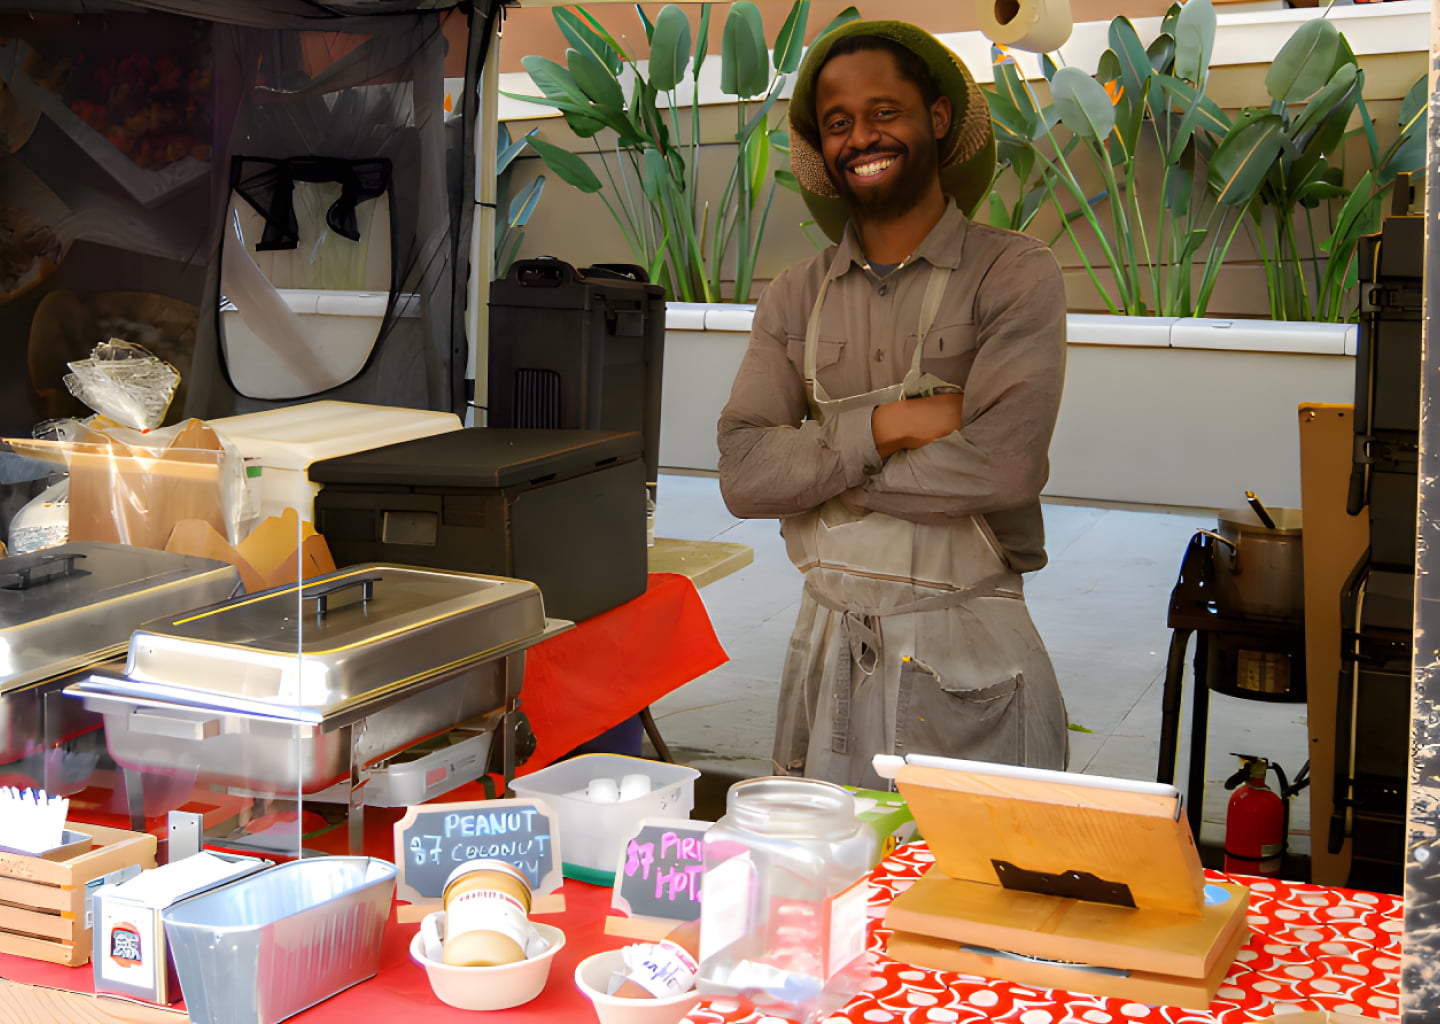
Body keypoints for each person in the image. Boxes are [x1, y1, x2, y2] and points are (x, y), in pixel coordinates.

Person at [716, 20, 1069, 790]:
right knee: (826, 891)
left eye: (884, 111)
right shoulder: (794, 295)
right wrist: (890, 427)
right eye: (838, 123)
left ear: (937, 120)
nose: (860, 136)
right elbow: (743, 475)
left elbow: (1004, 467)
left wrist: (818, 476)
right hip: (825, 652)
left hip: (968, 663)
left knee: (966, 891)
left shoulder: (1012, 273)